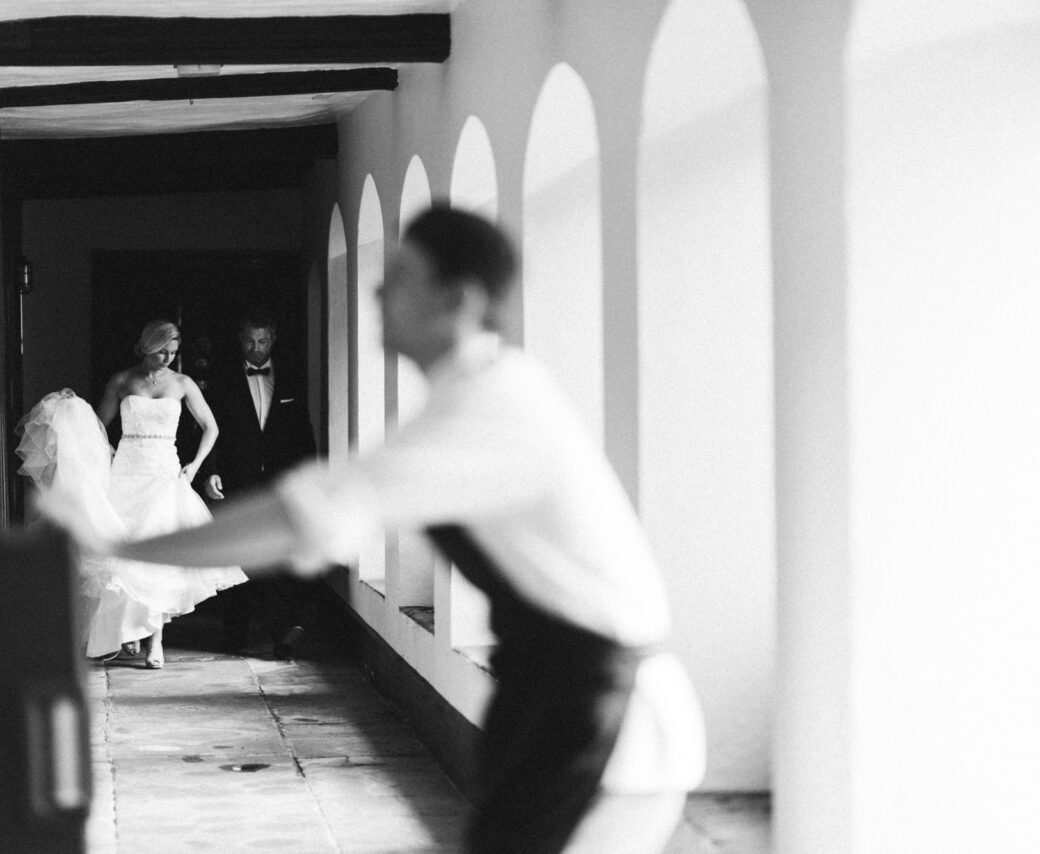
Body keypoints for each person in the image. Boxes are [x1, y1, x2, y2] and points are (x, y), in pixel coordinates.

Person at [70, 208, 706, 853]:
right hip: (552, 701)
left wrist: (117, 545)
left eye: (400, 277)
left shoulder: (489, 407)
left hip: (606, 723)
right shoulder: (468, 396)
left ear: (458, 299)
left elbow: (302, 516)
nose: (376, 291)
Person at [17, 320, 247, 669]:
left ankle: (156, 639)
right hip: (126, 471)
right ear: (144, 347)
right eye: (161, 351)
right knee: (126, 554)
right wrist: (79, 425)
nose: (167, 358)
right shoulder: (122, 381)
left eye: (173, 352)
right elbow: (98, 426)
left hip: (164, 473)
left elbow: (211, 427)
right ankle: (132, 632)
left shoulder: (182, 383)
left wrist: (195, 465)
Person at [201, 311, 319, 658]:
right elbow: (208, 430)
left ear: (274, 338)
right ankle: (234, 636)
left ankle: (281, 638)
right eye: (250, 341)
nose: (256, 348)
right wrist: (210, 470)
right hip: (238, 478)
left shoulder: (291, 378)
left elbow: (303, 433)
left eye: (262, 341)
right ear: (241, 339)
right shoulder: (222, 379)